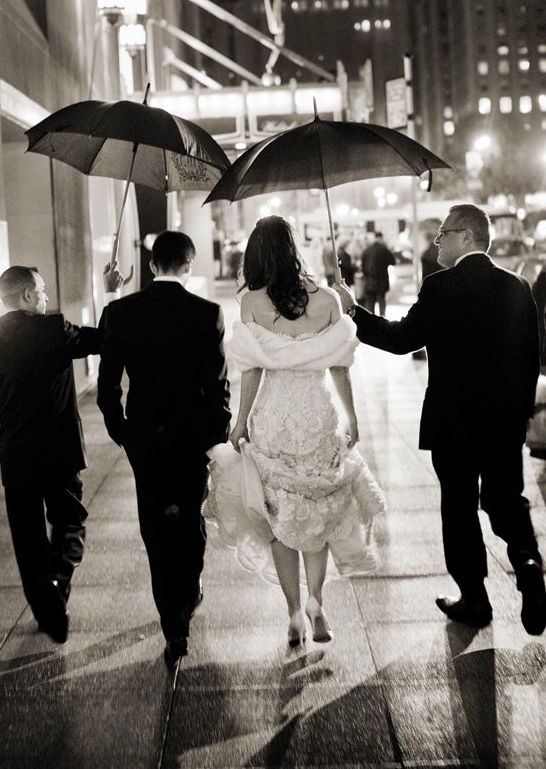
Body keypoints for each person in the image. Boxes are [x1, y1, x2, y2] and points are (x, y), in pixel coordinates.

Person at [334, 203, 546, 635]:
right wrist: (521, 414)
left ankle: (475, 599)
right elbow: (531, 359)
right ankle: (528, 566)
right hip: (504, 422)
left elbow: (400, 339)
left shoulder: (440, 287)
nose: (437, 242)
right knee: (507, 501)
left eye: (444, 234)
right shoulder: (517, 287)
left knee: (460, 508)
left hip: (454, 424)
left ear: (467, 236)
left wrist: (353, 312)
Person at [209, 216, 385, 648]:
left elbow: (250, 371)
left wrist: (241, 420)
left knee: (280, 517)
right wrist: (352, 417)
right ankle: (317, 601)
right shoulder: (326, 299)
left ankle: (292, 613)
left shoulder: (251, 302)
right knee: (319, 511)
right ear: (293, 248)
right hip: (318, 411)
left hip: (273, 414)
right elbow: (340, 366)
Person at [0, 262, 123, 644]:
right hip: (60, 450)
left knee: (26, 537)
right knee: (70, 522)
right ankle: (58, 577)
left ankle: (49, 611)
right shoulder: (54, 331)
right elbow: (105, 340)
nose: (47, 298)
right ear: (28, 296)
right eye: (43, 291)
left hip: (17, 456)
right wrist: (109, 292)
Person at [97, 231, 231, 667]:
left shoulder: (120, 312)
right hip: (192, 436)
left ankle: (171, 624)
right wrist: (217, 434)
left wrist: (122, 432)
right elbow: (218, 385)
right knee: (190, 517)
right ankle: (188, 594)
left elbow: (107, 386)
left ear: (152, 265)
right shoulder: (207, 312)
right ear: (189, 266)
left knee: (155, 527)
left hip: (144, 437)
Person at [361, 231, 395, 316]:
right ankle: (383, 324)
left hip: (369, 282)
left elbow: (363, 267)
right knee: (382, 304)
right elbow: (393, 261)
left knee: (370, 306)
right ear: (381, 238)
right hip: (381, 281)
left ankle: (371, 325)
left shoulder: (367, 250)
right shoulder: (384, 249)